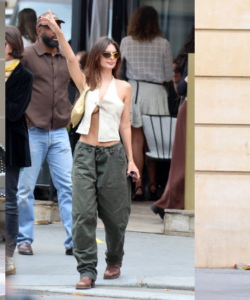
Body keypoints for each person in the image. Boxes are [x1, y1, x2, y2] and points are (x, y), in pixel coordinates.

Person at [41, 10, 140, 290]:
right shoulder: (85, 82)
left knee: (116, 217)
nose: (111, 58)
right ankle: (86, 270)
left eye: (115, 55)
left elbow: (125, 127)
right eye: (107, 54)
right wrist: (56, 29)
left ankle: (114, 259)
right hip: (85, 153)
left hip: (114, 156)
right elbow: (71, 58)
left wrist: (131, 161)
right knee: (82, 214)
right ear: (97, 56)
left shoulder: (124, 87)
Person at [16, 12, 73, 256]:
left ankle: (74, 240)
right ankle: (24, 239)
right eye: (49, 28)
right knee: (24, 190)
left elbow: (82, 84)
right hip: (33, 132)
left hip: (60, 132)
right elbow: (12, 87)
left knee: (69, 187)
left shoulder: (66, 56)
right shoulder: (27, 55)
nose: (54, 32)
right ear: (39, 31)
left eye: (57, 27)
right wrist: (23, 117)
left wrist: (74, 112)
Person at [120, 6, 173, 201]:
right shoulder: (163, 44)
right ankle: (153, 184)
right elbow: (168, 75)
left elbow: (119, 69)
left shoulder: (126, 42)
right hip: (156, 92)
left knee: (136, 141)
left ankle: (139, 185)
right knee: (155, 142)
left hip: (134, 91)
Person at [150, 27, 194, 220]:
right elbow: (183, 87)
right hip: (191, 109)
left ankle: (169, 202)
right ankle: (167, 202)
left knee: (185, 159)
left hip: (195, 109)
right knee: (183, 159)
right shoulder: (196, 55)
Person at [5, 25, 34, 275]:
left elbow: (15, 112)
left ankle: (7, 254)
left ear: (13, 45)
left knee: (11, 199)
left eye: (2, 43)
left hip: (13, 142)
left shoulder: (25, 76)